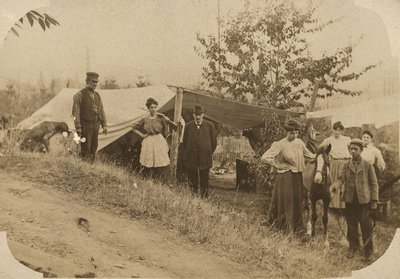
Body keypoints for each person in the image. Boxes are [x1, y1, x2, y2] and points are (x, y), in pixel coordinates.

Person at [261, 119, 315, 233]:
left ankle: (296, 228)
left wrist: (319, 153)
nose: (294, 135)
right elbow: (265, 157)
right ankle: (283, 227)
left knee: (296, 200)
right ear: (287, 132)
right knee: (286, 201)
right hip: (285, 177)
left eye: (296, 132)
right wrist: (277, 165)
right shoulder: (280, 144)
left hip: (297, 176)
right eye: (292, 133)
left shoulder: (299, 142)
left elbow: (310, 156)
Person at [330, 138, 378, 261]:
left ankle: (368, 251)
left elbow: (374, 184)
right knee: (351, 227)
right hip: (350, 200)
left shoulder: (367, 165)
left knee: (366, 226)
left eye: (355, 149)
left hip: (364, 202)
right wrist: (335, 186)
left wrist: (374, 202)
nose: (352, 151)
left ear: (361, 150)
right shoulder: (347, 165)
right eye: (351, 149)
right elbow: (340, 179)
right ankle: (353, 249)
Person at [132, 98, 177, 180]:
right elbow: (133, 128)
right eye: (151, 107)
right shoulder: (144, 119)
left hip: (159, 140)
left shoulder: (161, 118)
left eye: (155, 107)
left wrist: (167, 121)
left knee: (160, 161)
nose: (153, 109)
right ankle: (150, 180)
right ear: (148, 108)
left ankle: (160, 180)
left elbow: (170, 131)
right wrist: (142, 135)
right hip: (148, 141)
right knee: (149, 162)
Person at [182, 105, 217, 198]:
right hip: (192, 157)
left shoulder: (210, 126)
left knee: (204, 180)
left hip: (205, 157)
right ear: (193, 115)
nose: (198, 117)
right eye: (196, 114)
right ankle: (193, 198)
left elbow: (214, 143)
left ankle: (204, 199)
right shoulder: (188, 126)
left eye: (200, 115)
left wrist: (207, 152)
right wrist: (189, 153)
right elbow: (184, 143)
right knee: (192, 179)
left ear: (203, 115)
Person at [72, 72, 107, 163]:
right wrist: (78, 127)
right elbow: (76, 112)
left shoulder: (97, 95)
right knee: (85, 147)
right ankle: (84, 167)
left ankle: (91, 167)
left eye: (96, 82)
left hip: (96, 125)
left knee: (94, 146)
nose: (94, 84)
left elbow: (101, 110)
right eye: (92, 81)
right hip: (85, 126)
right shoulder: (79, 95)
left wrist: (104, 125)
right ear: (87, 81)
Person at [318, 121, 351, 211]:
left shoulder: (346, 139)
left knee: (345, 183)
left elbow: (352, 148)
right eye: (335, 130)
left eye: (339, 130)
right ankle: (334, 206)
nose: (337, 132)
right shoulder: (328, 140)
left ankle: (345, 205)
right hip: (335, 163)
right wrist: (327, 157)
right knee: (335, 182)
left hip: (346, 162)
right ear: (333, 130)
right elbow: (320, 149)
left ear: (341, 131)